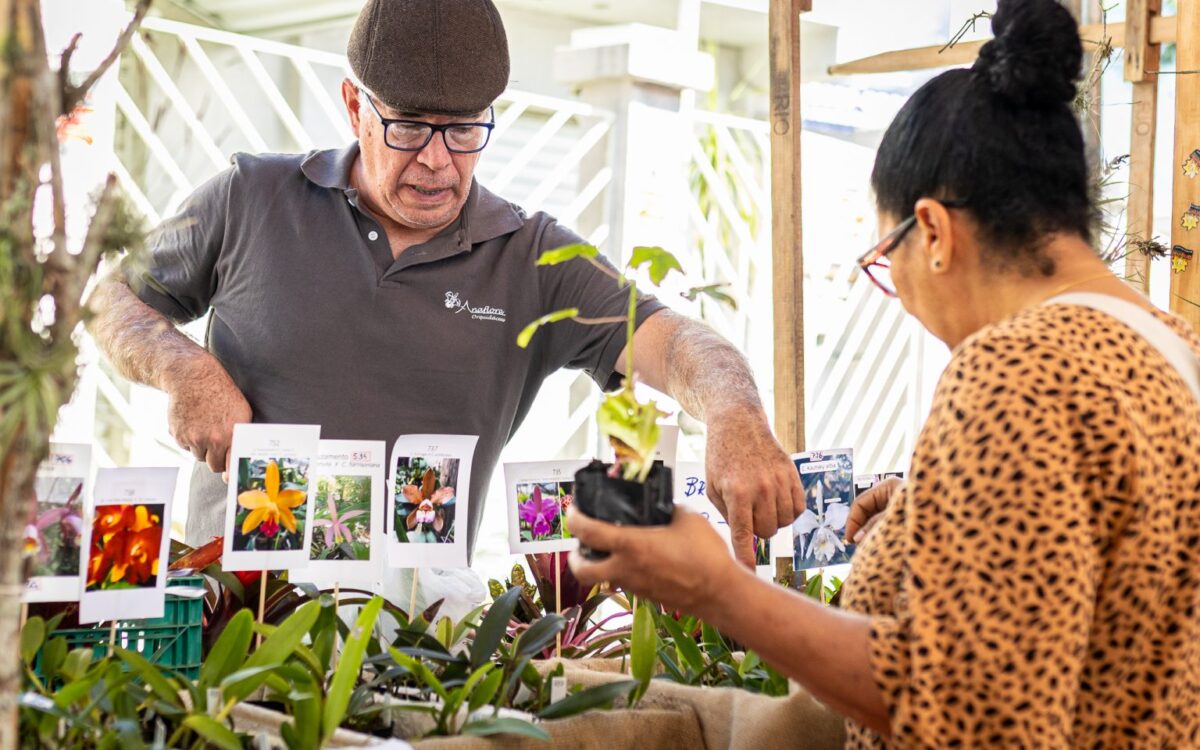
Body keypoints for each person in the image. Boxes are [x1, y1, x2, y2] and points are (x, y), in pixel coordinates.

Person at [568, 0, 1200, 746]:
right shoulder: (1169, 345)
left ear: (931, 231)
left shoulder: (1017, 372)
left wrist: (718, 589)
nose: (897, 294)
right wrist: (940, 504)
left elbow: (972, 713)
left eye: (882, 262)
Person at [86, 0, 801, 567]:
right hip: (235, 623)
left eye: (463, 131)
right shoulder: (250, 197)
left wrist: (737, 416)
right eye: (408, 128)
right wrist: (183, 368)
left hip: (422, 647)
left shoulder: (532, 258)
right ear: (354, 105)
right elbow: (111, 299)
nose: (437, 161)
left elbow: (677, 343)